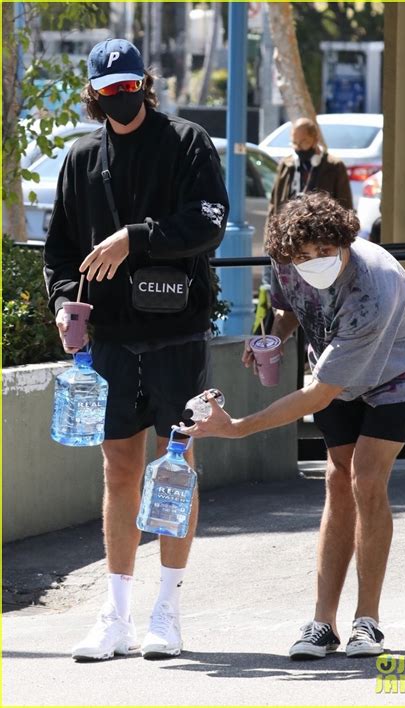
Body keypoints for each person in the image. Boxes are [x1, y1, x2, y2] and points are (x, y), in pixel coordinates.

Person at [181, 191, 405, 660]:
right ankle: (323, 623)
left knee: (365, 476)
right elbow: (288, 308)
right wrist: (273, 338)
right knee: (337, 480)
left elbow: (318, 394)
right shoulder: (286, 262)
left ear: (342, 241)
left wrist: (237, 427)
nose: (313, 262)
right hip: (334, 362)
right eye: (303, 256)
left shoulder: (373, 287)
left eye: (324, 251)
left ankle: (368, 622)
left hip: (399, 371)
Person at [44, 38, 229, 661]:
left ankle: (167, 612)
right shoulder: (81, 156)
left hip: (177, 334)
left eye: (130, 86)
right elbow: (61, 249)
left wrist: (135, 237)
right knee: (118, 470)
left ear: (144, 84)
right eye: (109, 88)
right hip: (112, 341)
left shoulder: (187, 143)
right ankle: (115, 614)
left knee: (175, 468)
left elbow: (209, 221)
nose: (121, 98)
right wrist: (67, 303)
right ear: (93, 93)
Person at [255, 117, 352, 333]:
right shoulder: (287, 165)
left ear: (315, 139)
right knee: (286, 305)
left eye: (304, 142)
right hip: (290, 246)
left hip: (320, 251)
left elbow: (345, 208)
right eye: (295, 143)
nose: (299, 148)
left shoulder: (334, 166)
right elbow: (275, 205)